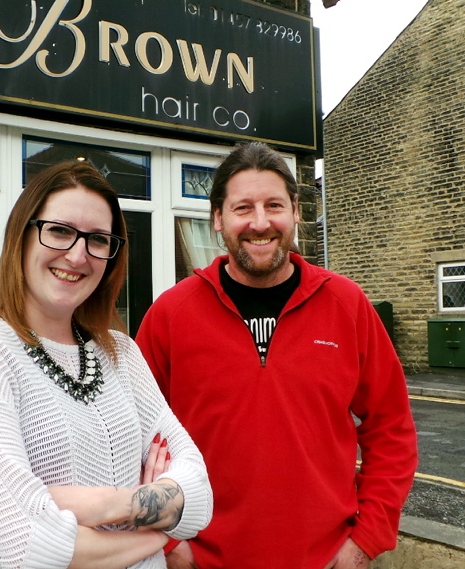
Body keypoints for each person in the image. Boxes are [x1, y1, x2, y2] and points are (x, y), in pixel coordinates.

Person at [135, 142, 418, 569]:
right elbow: (131, 436)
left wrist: (366, 540)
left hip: (323, 560)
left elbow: (392, 428)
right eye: (243, 208)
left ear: (297, 212)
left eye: (274, 205)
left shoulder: (347, 305)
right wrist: (168, 544)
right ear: (217, 218)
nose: (261, 222)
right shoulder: (170, 314)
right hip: (202, 562)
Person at [0, 161, 213, 569]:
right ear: (23, 236)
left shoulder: (120, 351)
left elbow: (200, 499)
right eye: (60, 231)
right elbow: (25, 546)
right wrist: (153, 527)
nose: (78, 255)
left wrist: (95, 506)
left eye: (99, 240)